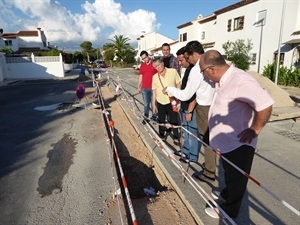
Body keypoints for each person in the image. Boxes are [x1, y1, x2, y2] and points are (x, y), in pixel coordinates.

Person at [200, 50, 274, 218]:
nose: (204, 77)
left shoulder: (240, 80)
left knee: (237, 179)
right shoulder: (224, 79)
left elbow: (265, 104)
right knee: (229, 174)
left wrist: (255, 129)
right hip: (227, 142)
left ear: (211, 69)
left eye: (203, 72)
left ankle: (229, 210)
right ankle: (227, 193)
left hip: (239, 143)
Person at [163, 41, 216, 182]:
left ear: (193, 54)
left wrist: (169, 89)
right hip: (213, 104)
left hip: (204, 107)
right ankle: (209, 165)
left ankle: (209, 172)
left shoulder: (197, 68)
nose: (187, 60)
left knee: (206, 140)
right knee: (208, 139)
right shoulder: (210, 62)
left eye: (187, 57)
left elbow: (187, 95)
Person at [173, 46, 200, 163]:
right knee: (185, 132)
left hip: (190, 108)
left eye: (181, 60)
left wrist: (190, 111)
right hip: (184, 106)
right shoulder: (187, 70)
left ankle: (192, 156)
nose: (179, 63)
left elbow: (194, 94)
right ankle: (186, 151)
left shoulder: (194, 71)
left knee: (192, 133)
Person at [152, 57, 181, 146]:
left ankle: (176, 137)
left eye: (159, 65)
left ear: (163, 63)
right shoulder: (155, 77)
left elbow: (178, 83)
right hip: (161, 101)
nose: (158, 67)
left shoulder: (173, 71)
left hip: (172, 101)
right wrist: (153, 103)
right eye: (155, 66)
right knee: (161, 119)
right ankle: (162, 135)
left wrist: (178, 97)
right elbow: (154, 90)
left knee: (174, 119)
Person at [137, 50, 157, 124]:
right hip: (144, 88)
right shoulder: (142, 65)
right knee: (146, 104)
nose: (144, 60)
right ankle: (146, 117)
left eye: (145, 58)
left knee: (153, 103)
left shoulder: (154, 64)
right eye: (143, 59)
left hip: (153, 88)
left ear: (148, 56)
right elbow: (141, 76)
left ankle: (154, 116)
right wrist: (138, 86)